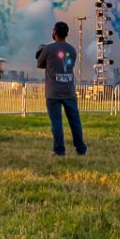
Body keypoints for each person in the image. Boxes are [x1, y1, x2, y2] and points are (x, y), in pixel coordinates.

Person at [35, 21, 86, 156]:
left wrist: (41, 52)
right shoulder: (72, 50)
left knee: (56, 123)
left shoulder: (48, 49)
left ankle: (59, 150)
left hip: (53, 93)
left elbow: (39, 63)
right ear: (66, 34)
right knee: (75, 121)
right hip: (69, 91)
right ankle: (80, 149)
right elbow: (68, 66)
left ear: (55, 33)